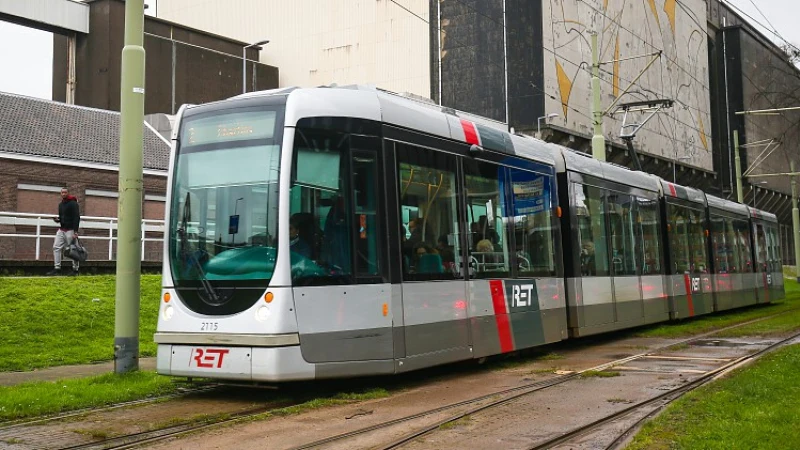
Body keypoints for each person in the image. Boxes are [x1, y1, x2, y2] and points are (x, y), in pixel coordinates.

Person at [47, 188, 81, 276]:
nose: (63, 194)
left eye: (65, 192)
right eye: (62, 192)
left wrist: (76, 231)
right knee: (56, 247)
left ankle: (75, 270)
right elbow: (62, 218)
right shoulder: (61, 205)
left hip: (70, 230)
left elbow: (76, 217)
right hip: (62, 229)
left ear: (68, 193)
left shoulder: (73, 203)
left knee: (73, 250)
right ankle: (57, 268)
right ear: (60, 194)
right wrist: (57, 220)